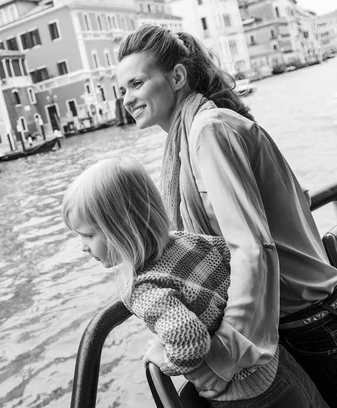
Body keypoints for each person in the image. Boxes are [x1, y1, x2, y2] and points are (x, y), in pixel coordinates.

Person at [116, 24, 337, 406]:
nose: (127, 98)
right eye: (122, 89)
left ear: (178, 77)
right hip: (299, 321)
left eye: (136, 83)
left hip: (307, 325)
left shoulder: (209, 131)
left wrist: (224, 356)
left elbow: (252, 248)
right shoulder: (197, 134)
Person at [61, 157, 327, 407]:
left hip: (245, 394)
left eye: (87, 235)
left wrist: (163, 360)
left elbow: (188, 340)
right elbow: (235, 260)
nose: (83, 247)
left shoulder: (142, 286)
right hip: (273, 359)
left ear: (121, 228)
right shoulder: (187, 241)